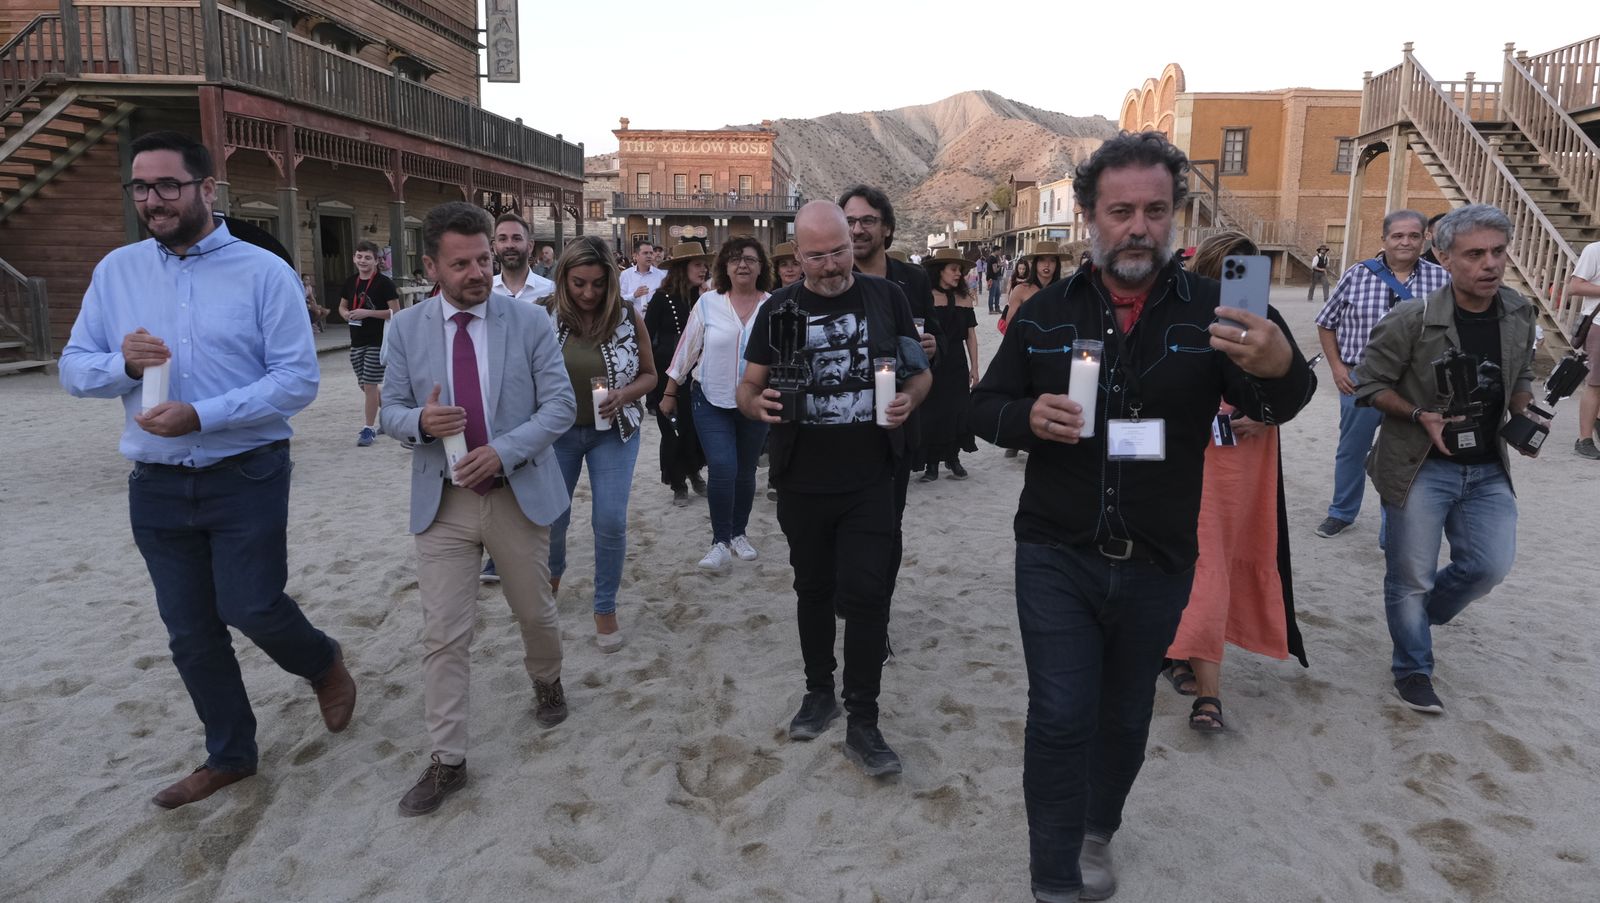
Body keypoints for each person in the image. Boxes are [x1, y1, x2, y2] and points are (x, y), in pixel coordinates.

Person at [970, 131, 1314, 903]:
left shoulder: (1217, 309)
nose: (1138, 226)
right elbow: (980, 407)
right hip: (1056, 547)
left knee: (1124, 717)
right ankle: (1053, 872)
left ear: (1175, 217)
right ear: (1089, 217)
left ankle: (1097, 830)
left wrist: (1280, 366)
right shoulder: (1046, 309)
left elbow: (1276, 404)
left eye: (1155, 211)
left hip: (1160, 556)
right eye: (1120, 210)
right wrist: (1027, 415)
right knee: (1060, 711)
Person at [59, 129, 356, 809]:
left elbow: (297, 381)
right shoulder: (117, 271)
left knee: (252, 604)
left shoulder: (263, 271)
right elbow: (75, 369)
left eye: (168, 185)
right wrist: (122, 366)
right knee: (191, 630)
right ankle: (230, 754)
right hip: (156, 483)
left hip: (245, 470)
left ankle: (322, 661)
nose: (153, 200)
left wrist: (204, 414)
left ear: (205, 189)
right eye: (141, 186)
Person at [378, 201, 577, 816]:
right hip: (442, 502)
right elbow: (387, 411)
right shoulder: (404, 329)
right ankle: (448, 760)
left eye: (484, 259)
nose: (477, 272)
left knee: (533, 611)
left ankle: (546, 680)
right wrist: (419, 420)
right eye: (461, 263)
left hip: (516, 494)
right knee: (443, 634)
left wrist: (502, 452)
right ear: (431, 265)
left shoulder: (530, 323)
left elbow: (560, 407)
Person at [738, 201, 931, 776]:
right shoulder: (778, 309)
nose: (830, 265)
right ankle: (818, 690)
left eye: (840, 251)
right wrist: (760, 404)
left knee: (868, 594)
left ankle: (864, 721)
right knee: (813, 588)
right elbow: (747, 388)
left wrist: (908, 400)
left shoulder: (887, 298)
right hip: (802, 478)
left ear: (856, 242)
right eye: (817, 256)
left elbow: (920, 373)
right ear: (797, 256)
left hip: (872, 475)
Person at [1353, 204, 1541, 715]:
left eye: (1498, 252)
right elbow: (1368, 384)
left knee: (1488, 566)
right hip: (1419, 466)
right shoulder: (1412, 319)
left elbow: (1520, 371)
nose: (1490, 264)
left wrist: (1522, 406)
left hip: (1486, 467)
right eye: (1475, 254)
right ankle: (1413, 669)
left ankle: (1415, 614)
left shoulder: (1519, 312)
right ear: (1445, 257)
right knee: (1409, 575)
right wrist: (1419, 414)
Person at [1159, 231, 1310, 733]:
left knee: (1223, 553)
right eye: (1227, 268)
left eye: (1246, 270)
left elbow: (1293, 389)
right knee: (1201, 558)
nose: (1237, 280)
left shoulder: (1265, 320)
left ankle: (1185, 654)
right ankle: (1209, 693)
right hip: (1194, 453)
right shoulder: (1183, 311)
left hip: (1245, 459)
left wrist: (1267, 417)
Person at [542, 237, 656, 650]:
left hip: (616, 432)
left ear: (610, 281)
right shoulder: (545, 316)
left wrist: (624, 395)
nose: (588, 293)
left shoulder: (627, 315)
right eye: (578, 283)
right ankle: (553, 575)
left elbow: (649, 374)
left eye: (597, 284)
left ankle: (604, 606)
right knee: (553, 517)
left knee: (609, 520)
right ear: (563, 280)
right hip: (558, 435)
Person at [1313, 210, 1449, 538]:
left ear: (1424, 239)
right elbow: (1326, 322)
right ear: (1384, 239)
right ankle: (1342, 512)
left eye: (1413, 236)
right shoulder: (1357, 275)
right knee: (1353, 449)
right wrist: (1336, 367)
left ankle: (1395, 525)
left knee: (1403, 455)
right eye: (1398, 236)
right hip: (1361, 379)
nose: (1405, 242)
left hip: (1414, 385)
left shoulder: (1442, 280)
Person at [662, 236, 772, 570]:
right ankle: (720, 541)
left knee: (746, 470)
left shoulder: (773, 304)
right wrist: (669, 392)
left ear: (761, 267)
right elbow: (687, 350)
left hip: (755, 402)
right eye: (735, 258)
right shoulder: (709, 303)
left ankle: (739, 532)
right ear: (724, 266)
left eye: (750, 259)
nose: (743, 264)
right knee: (723, 466)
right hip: (710, 398)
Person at [644, 241, 712, 505]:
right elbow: (647, 339)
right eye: (698, 265)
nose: (704, 270)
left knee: (693, 428)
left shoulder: (705, 298)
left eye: (705, 265)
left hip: (697, 375)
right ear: (683, 269)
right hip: (665, 375)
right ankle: (678, 484)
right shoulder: (661, 299)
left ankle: (694, 472)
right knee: (672, 430)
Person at [918, 248, 980, 481]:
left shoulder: (965, 298)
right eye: (953, 269)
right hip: (932, 363)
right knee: (932, 411)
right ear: (939, 270)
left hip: (957, 363)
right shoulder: (927, 298)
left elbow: (971, 337)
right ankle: (931, 464)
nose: (958, 274)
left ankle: (953, 459)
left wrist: (975, 368)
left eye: (960, 270)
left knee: (957, 411)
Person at [339, 239, 401, 447]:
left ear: (376, 261)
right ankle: (393, 413)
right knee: (365, 385)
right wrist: (346, 314)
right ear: (354, 258)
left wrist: (368, 313)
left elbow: (395, 312)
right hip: (356, 340)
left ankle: (368, 428)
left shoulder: (384, 283)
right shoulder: (350, 281)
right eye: (359, 256)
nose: (363, 261)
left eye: (367, 257)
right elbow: (342, 306)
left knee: (370, 384)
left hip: (377, 341)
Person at [1565, 239, 1600, 458]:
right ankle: (1584, 439)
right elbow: (1575, 286)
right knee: (1595, 384)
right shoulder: (1595, 250)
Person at [491, 213, 556, 302]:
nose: (509, 245)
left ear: (530, 246)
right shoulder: (485, 292)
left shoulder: (551, 291)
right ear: (494, 247)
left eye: (517, 238)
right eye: (502, 239)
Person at [619, 239, 665, 312]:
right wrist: (634, 295)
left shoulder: (661, 275)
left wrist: (654, 305)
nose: (649, 256)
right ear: (635, 255)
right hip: (632, 319)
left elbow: (666, 299)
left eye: (651, 253)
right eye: (645, 253)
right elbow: (618, 299)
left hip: (654, 319)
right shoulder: (625, 275)